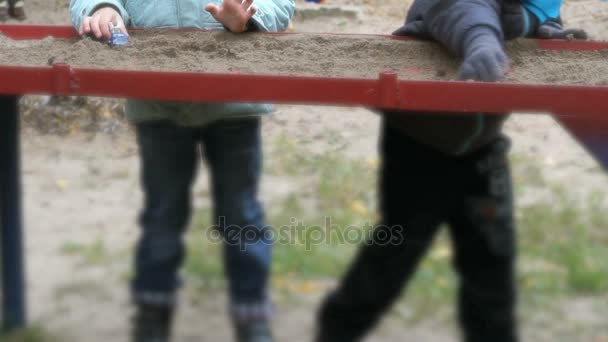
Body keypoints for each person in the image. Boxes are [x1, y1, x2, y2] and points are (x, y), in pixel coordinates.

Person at [315, 1, 586, 341]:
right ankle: (338, 327)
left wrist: (546, 32)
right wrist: (482, 40)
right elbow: (459, 8)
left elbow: (528, 16)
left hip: (482, 147)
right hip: (421, 145)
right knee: (396, 251)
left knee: (492, 264)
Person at [68, 0, 294, 341]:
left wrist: (251, 18)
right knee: (163, 212)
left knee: (240, 213)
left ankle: (251, 311)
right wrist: (102, 8)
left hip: (234, 95)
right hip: (157, 97)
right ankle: (153, 310)